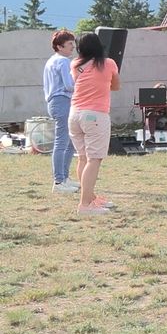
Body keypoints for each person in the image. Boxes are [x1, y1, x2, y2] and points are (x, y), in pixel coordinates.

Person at [68, 33, 121, 214]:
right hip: (96, 116)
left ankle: (90, 198)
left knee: (83, 158)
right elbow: (116, 86)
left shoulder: (75, 64)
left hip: (74, 114)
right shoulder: (109, 63)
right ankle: (85, 205)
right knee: (94, 159)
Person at [43, 29, 78, 193]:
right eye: (70, 43)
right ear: (59, 46)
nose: (73, 46)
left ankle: (64, 178)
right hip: (62, 101)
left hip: (55, 102)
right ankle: (59, 182)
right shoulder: (63, 61)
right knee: (62, 142)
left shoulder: (51, 60)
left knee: (70, 142)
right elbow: (69, 85)